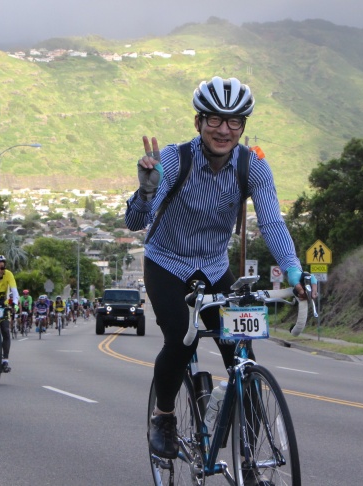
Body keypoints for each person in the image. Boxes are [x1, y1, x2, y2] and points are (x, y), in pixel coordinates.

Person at [125, 76, 318, 459]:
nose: (224, 129)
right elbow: (134, 222)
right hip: (167, 264)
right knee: (183, 337)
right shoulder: (173, 159)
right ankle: (163, 416)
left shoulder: (253, 167)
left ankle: (247, 440)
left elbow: (272, 223)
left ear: (243, 126)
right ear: (198, 122)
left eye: (234, 122)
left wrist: (294, 272)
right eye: (214, 119)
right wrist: (146, 192)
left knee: (239, 347)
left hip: (214, 268)